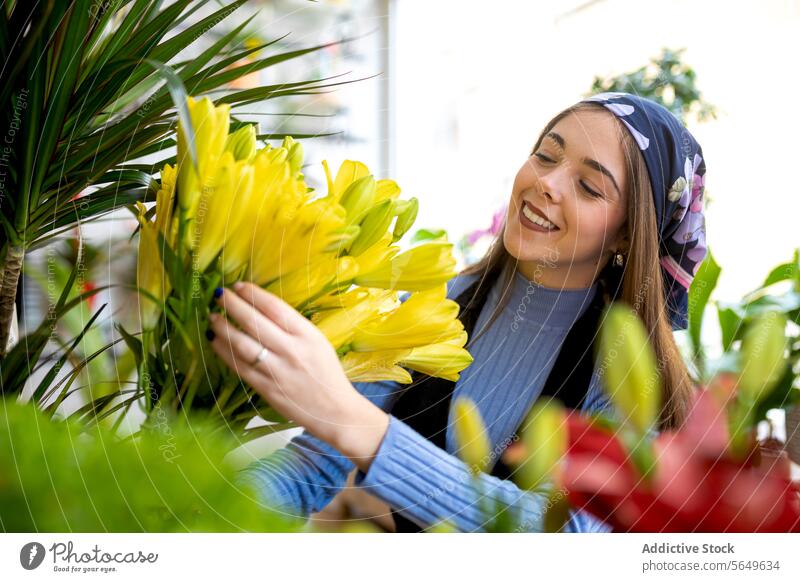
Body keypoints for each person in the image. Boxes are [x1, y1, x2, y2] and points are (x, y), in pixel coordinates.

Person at [205, 92, 708, 532]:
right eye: (545, 156)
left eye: (589, 186)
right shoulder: (432, 303)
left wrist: (358, 424)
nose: (547, 183)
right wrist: (197, 509)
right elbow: (315, 467)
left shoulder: (624, 371)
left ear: (626, 234)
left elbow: (573, 537)